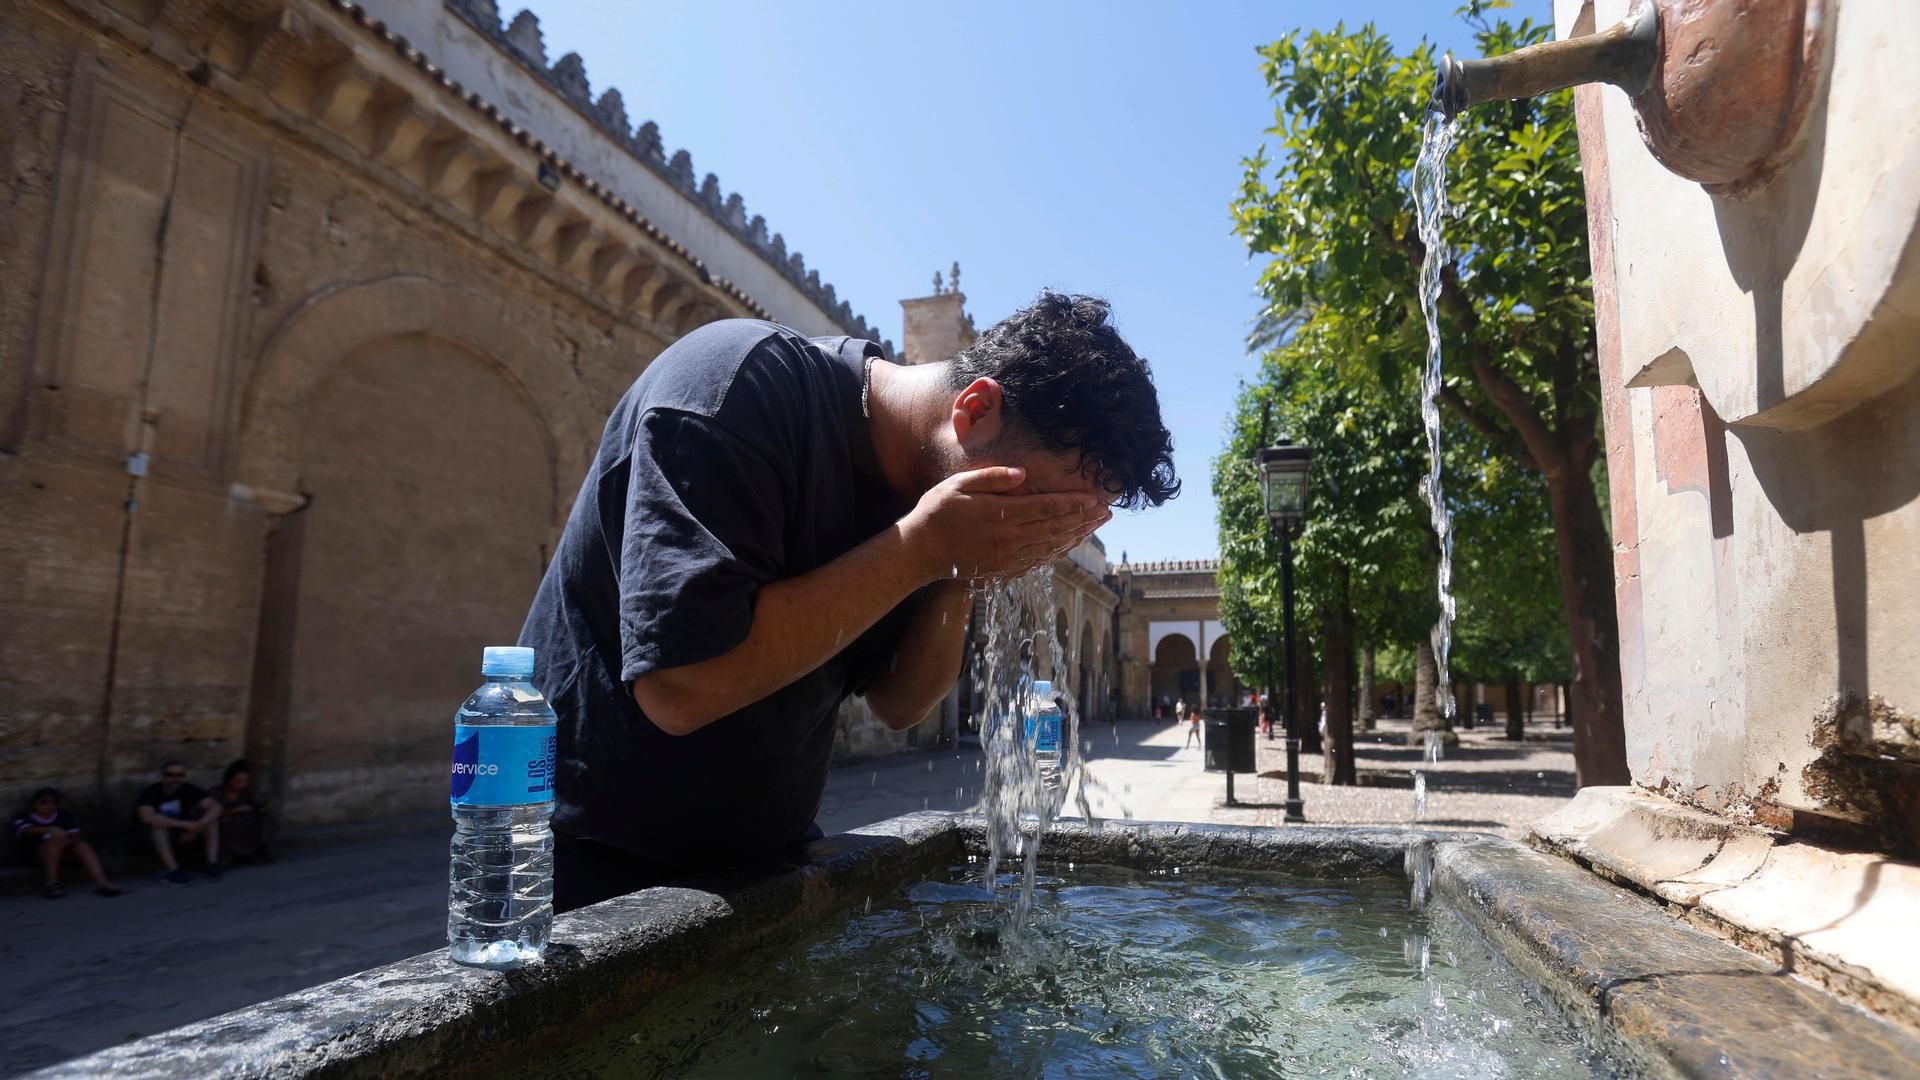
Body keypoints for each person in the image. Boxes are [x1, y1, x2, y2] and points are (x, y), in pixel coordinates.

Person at [518, 292, 1177, 913]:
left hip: (770, 859)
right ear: (975, 409)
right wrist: (918, 548)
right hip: (589, 867)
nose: (1038, 532)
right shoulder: (735, 391)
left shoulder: (927, 496)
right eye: (1034, 503)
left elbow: (902, 703)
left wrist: (958, 569)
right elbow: (679, 686)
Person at [12, 788, 123, 898]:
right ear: (33, 804)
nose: (49, 806)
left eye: (54, 802)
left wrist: (63, 841)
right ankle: (51, 883)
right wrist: (51, 830)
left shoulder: (64, 816)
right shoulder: (25, 817)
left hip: (64, 853)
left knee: (82, 845)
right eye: (43, 802)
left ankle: (102, 883)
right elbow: (27, 829)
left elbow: (76, 836)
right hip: (36, 856)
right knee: (54, 840)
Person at [135, 762, 223, 883]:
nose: (175, 779)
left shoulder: (187, 789)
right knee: (158, 826)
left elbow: (216, 807)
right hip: (155, 839)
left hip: (183, 833)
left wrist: (200, 824)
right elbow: (147, 817)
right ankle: (173, 870)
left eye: (180, 775)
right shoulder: (151, 792)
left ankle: (212, 863)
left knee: (211, 821)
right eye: (170, 775)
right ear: (163, 776)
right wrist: (185, 825)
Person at [217, 759, 275, 865]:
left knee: (267, 817)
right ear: (229, 779)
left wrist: (258, 808)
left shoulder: (247, 793)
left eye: (245, 781)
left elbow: (261, 806)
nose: (242, 785)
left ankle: (260, 851)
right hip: (226, 821)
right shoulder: (217, 793)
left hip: (247, 825)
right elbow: (212, 813)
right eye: (238, 781)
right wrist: (234, 810)